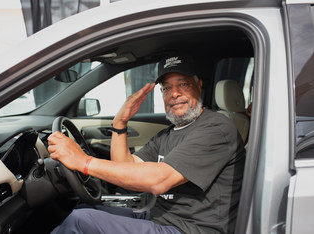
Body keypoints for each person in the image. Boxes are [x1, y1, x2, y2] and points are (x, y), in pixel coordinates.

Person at [47, 53, 246, 234]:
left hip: (191, 229)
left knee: (80, 222)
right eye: (167, 88)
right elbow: (125, 168)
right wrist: (120, 123)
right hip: (161, 218)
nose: (174, 93)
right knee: (85, 209)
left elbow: (159, 180)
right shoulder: (168, 135)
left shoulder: (216, 129)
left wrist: (83, 162)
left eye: (183, 84)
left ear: (199, 85)